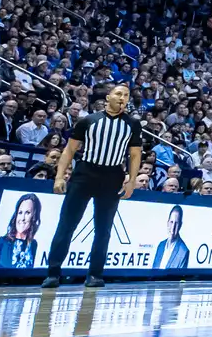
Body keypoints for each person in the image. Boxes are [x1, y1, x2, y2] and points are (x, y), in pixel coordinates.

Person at [41, 83, 143, 288]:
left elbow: (135, 154)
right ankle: (53, 272)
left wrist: (131, 180)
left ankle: (95, 274)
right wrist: (60, 176)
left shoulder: (133, 123)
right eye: (119, 94)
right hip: (85, 173)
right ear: (108, 98)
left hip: (113, 176)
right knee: (67, 224)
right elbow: (69, 151)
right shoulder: (88, 120)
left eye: (126, 95)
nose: (123, 98)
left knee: (103, 229)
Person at [0, 190, 42, 270]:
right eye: (20, 212)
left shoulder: (33, 244)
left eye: (27, 213)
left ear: (34, 217)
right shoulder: (3, 242)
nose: (22, 218)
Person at [152, 205, 190, 270]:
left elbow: (179, 279)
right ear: (167, 223)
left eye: (176, 223)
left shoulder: (183, 251)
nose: (173, 228)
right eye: (171, 222)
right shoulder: (161, 245)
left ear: (180, 225)